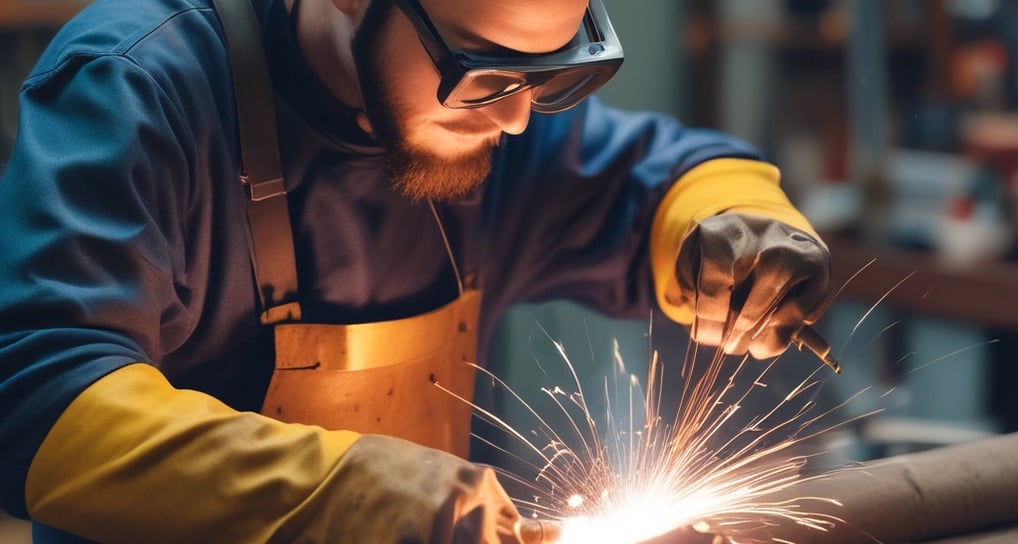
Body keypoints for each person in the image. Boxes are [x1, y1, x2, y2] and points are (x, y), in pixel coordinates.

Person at [0, 0, 832, 542]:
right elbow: (36, 400)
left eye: (546, 75)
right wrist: (343, 492)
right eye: (485, 73)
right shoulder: (139, 85)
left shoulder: (493, 111)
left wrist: (729, 225)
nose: (512, 119)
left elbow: (652, 181)